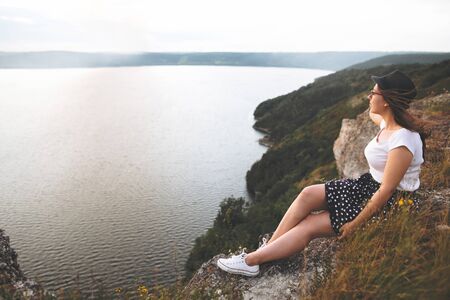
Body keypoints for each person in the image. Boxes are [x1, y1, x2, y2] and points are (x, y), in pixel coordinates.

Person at [217, 70, 427, 277]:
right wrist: (381, 105)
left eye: (373, 93)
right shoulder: (386, 123)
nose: (369, 97)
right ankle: (268, 249)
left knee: (309, 224)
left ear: (388, 101)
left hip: (389, 204)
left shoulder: (403, 139)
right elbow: (374, 113)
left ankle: (250, 262)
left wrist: (354, 225)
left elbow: (387, 190)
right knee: (308, 193)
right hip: (368, 186)